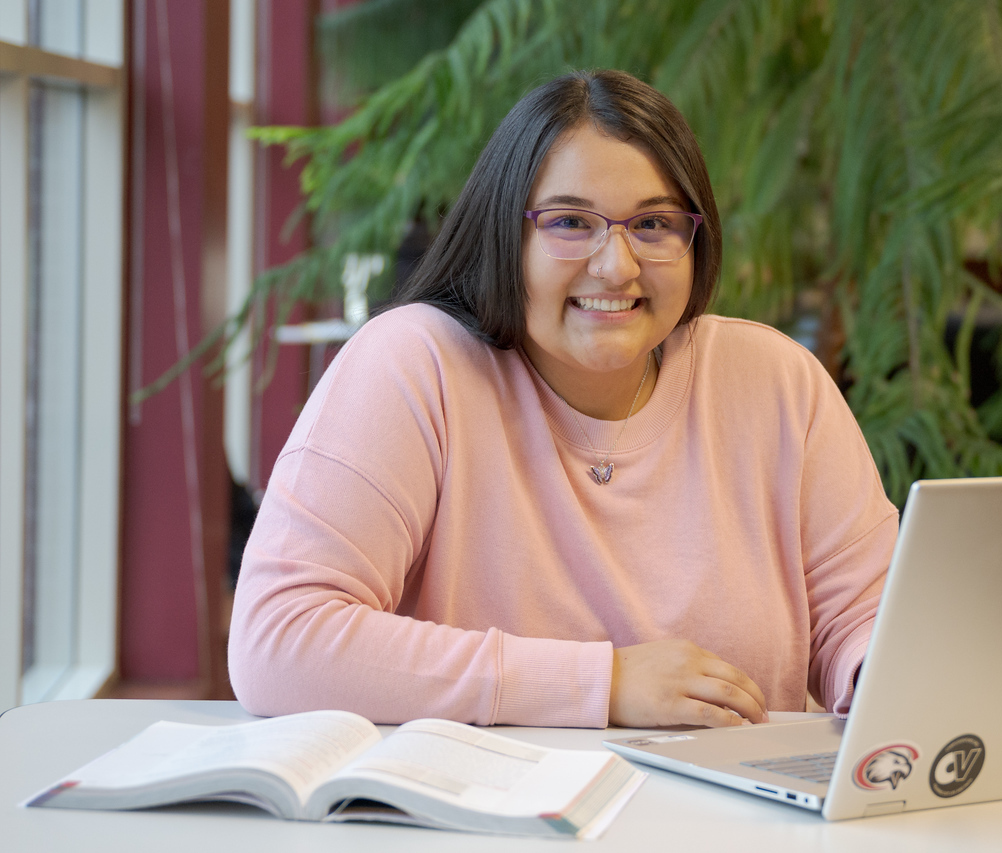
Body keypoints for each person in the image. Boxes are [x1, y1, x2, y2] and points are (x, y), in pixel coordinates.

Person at [228, 69, 897, 729]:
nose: (617, 265)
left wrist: (886, 673)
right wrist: (602, 683)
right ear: (505, 234)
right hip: (486, 822)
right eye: (571, 221)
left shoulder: (776, 381)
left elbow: (865, 618)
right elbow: (280, 640)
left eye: (654, 223)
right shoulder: (415, 364)